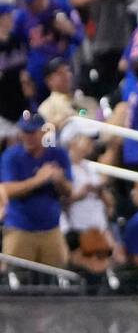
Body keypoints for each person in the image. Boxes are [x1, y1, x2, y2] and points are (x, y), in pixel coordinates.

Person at [1, 112, 72, 266]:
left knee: (58, 279)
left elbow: (69, 192)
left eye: (32, 132)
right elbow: (6, 190)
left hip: (51, 230)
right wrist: (38, 180)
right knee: (16, 280)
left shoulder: (57, 154)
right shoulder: (11, 156)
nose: (28, 136)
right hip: (19, 229)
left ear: (43, 131)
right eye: (25, 131)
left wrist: (59, 181)